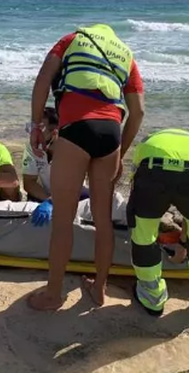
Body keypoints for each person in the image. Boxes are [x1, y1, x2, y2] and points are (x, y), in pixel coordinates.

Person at [27, 23, 145, 310]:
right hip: (111, 133)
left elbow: (43, 81)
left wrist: (35, 125)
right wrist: (121, 153)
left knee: (63, 220)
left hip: (77, 127)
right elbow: (138, 111)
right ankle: (99, 288)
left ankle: (53, 294)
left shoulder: (70, 39)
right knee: (103, 221)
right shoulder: (126, 55)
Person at [127, 128, 189, 317]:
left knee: (144, 238)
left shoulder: (149, 142)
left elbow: (135, 179)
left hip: (153, 171)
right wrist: (185, 240)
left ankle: (152, 299)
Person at [23, 106, 90, 226]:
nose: (34, 133)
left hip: (74, 194)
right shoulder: (32, 146)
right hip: (44, 194)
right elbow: (29, 183)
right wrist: (48, 199)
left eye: (40, 129)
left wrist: (52, 202)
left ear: (54, 133)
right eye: (33, 128)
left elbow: (74, 184)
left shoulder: (72, 148)